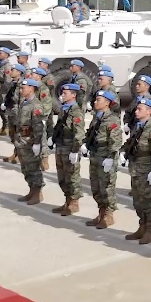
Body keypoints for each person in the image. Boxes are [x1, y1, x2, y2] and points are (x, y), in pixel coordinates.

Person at [122, 97, 151, 244]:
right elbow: (131, 142)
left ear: (149, 111)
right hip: (135, 167)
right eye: (136, 108)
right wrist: (123, 151)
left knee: (148, 200)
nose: (136, 111)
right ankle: (142, 225)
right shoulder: (138, 125)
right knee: (137, 199)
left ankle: (150, 229)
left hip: (146, 168)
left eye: (140, 109)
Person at [84, 90, 124, 229]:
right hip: (95, 155)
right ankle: (101, 212)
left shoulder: (112, 120)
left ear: (107, 103)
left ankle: (108, 215)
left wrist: (110, 158)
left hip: (105, 156)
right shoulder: (97, 117)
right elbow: (91, 134)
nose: (95, 102)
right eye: (95, 100)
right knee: (95, 186)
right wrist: (85, 144)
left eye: (98, 100)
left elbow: (115, 141)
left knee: (107, 187)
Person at [50, 83, 85, 216]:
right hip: (60, 146)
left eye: (65, 93)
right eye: (62, 93)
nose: (62, 95)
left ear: (73, 95)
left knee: (72, 176)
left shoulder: (76, 112)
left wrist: (75, 150)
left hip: (70, 148)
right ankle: (67, 200)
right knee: (62, 176)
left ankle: (74, 203)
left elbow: (79, 133)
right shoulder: (64, 109)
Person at [13, 78, 46, 204]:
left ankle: (37, 193)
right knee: (25, 168)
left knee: (33, 167)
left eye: (23, 88)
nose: (21, 90)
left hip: (30, 141)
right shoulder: (24, 102)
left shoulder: (36, 105)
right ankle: (32, 190)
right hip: (21, 140)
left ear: (31, 89)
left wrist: (37, 143)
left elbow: (38, 126)